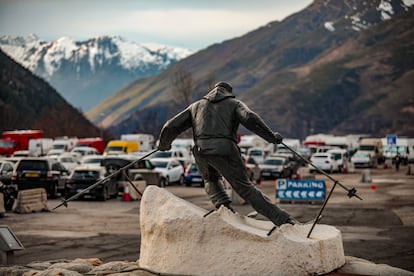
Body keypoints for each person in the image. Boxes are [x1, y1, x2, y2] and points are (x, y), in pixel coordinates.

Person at [158, 81, 297, 226]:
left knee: (210, 179)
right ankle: (282, 219)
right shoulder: (233, 104)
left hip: (201, 149)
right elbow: (249, 118)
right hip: (224, 148)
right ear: (229, 92)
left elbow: (171, 125)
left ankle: (224, 209)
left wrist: (164, 144)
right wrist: (271, 137)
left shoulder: (196, 106)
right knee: (244, 187)